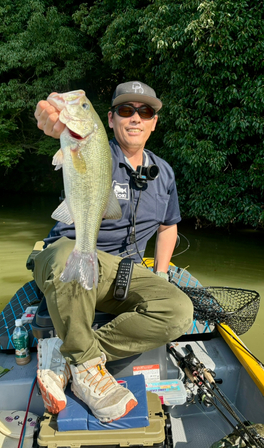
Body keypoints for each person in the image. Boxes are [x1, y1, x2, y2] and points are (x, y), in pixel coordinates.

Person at [33, 81, 193, 423]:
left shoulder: (163, 173)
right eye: (125, 110)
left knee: (179, 311)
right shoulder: (91, 147)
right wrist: (53, 117)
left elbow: (168, 226)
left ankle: (75, 357)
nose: (135, 118)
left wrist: (161, 273)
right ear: (109, 119)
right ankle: (88, 369)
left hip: (124, 273)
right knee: (66, 258)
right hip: (72, 255)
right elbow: (57, 124)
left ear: (154, 123)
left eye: (145, 111)